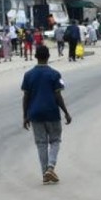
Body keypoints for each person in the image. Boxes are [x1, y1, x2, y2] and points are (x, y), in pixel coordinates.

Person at [22, 44, 72, 183]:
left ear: (35, 57)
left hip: (35, 114)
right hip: (51, 112)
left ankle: (45, 174)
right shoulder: (54, 74)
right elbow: (58, 96)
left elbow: (25, 97)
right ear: (49, 57)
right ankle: (50, 167)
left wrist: (25, 116)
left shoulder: (28, 75)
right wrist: (66, 112)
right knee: (55, 140)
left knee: (41, 143)